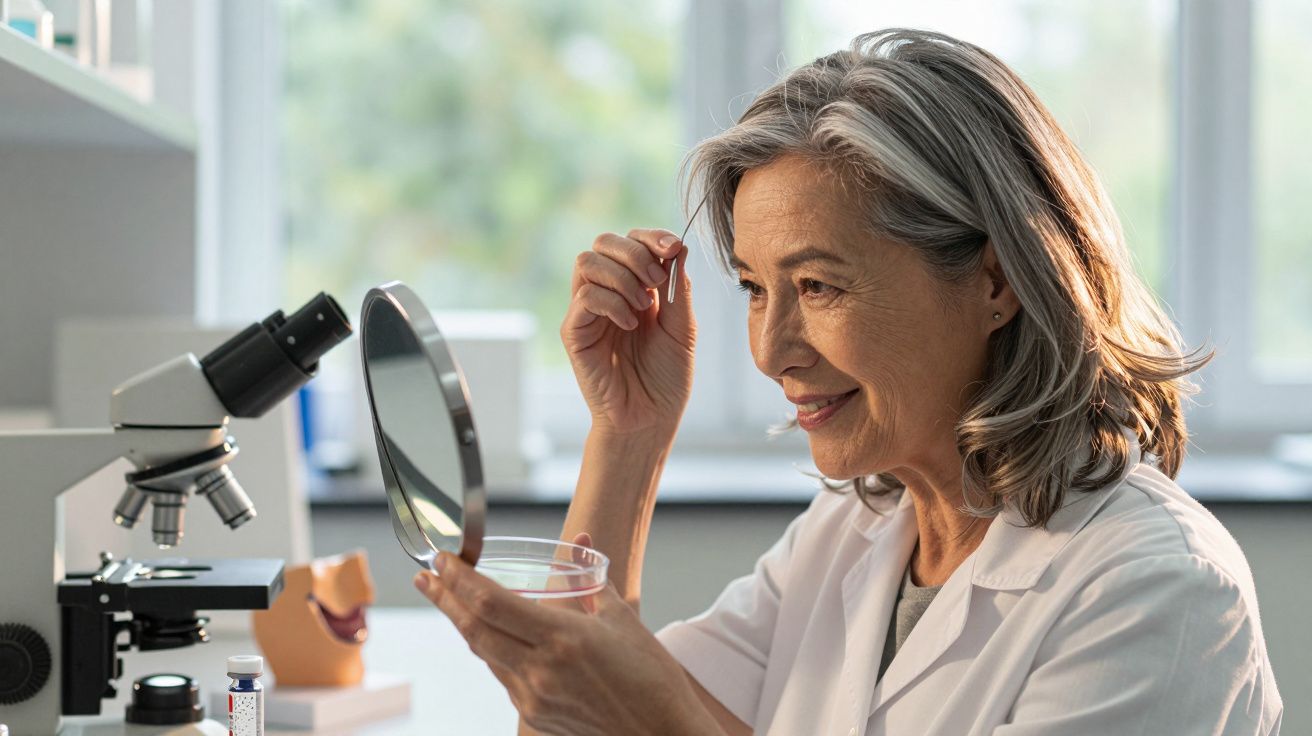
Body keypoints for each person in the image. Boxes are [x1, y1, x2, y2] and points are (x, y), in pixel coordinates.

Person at [412, 28, 1284, 735]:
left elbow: (643, 717)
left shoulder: (1157, 589)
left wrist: (664, 723)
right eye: (756, 289)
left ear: (996, 282)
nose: (771, 349)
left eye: (820, 286)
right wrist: (629, 436)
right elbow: (580, 724)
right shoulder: (849, 538)